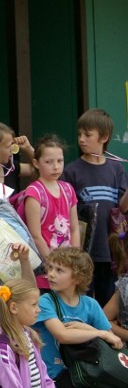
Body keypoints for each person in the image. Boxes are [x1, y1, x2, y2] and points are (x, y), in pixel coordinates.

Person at [62, 109, 128, 308]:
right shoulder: (71, 171)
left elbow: (122, 208)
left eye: (87, 134)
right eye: (79, 133)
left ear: (104, 137)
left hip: (110, 251)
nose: (81, 139)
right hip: (84, 251)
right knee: (84, 301)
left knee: (108, 301)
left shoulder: (116, 169)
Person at [33, 247, 123, 386]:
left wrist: (87, 328)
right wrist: (99, 333)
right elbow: (62, 335)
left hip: (85, 374)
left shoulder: (90, 304)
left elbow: (113, 342)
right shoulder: (46, 301)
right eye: (50, 268)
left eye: (59, 270)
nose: (50, 274)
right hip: (54, 377)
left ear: (78, 278)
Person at [0, 279, 54, 387]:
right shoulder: (2, 350)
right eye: (34, 305)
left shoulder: (29, 335)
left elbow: (44, 376)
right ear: (14, 308)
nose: (38, 310)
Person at [24, 135, 79, 261]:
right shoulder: (34, 192)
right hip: (47, 262)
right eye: (49, 162)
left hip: (68, 260)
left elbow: (74, 228)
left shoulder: (68, 189)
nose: (56, 166)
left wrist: (76, 259)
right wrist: (51, 263)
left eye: (60, 161)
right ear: (36, 163)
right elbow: (35, 235)